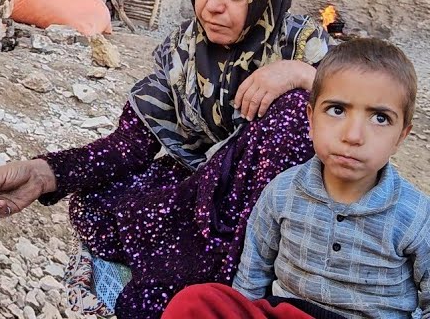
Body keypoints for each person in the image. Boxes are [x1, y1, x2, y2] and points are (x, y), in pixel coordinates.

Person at [0, 0, 335, 319]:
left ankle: (236, 284)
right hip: (205, 202)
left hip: (292, 220)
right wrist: (41, 174)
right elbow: (128, 147)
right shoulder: (184, 52)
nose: (213, 5)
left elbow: (364, 117)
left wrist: (305, 76)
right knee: (104, 198)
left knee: (296, 112)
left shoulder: (302, 45)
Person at [162, 39, 430, 319]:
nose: (353, 136)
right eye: (337, 110)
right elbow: (253, 273)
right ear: (311, 120)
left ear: (401, 136)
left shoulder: (416, 216)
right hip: (288, 312)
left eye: (380, 118)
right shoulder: (282, 192)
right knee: (195, 301)